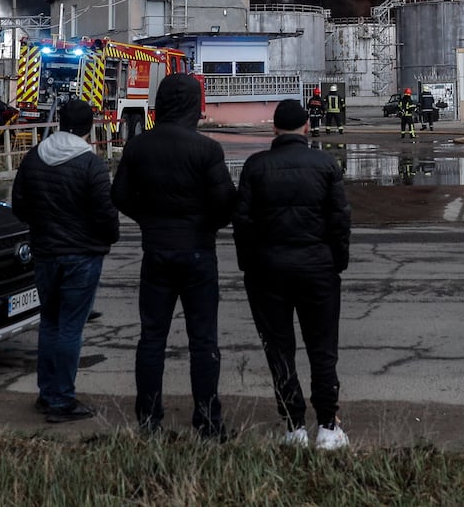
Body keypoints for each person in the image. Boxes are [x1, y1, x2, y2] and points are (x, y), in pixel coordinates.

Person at [111, 73, 237, 440]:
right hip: (198, 252)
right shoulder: (207, 149)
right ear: (192, 105)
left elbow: (118, 195)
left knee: (151, 338)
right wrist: (205, 225)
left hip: (156, 252)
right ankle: (208, 421)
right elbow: (225, 202)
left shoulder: (138, 147)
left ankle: (149, 421)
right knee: (203, 340)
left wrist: (149, 220)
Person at [232, 99, 351, 451]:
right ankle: (328, 427)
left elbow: (242, 222)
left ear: (274, 129)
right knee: (323, 348)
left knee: (279, 349)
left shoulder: (256, 166)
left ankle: (294, 426)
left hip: (267, 271)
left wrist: (248, 265)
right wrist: (337, 263)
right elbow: (340, 221)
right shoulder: (325, 164)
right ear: (307, 128)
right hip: (318, 269)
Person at [11, 98, 119, 423]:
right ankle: (61, 401)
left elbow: (19, 206)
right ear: (90, 127)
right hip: (82, 257)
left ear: (59, 122)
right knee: (71, 327)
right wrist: (103, 240)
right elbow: (107, 217)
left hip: (45, 254)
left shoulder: (34, 158)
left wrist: (43, 229)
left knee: (50, 323)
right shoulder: (91, 164)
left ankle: (47, 394)